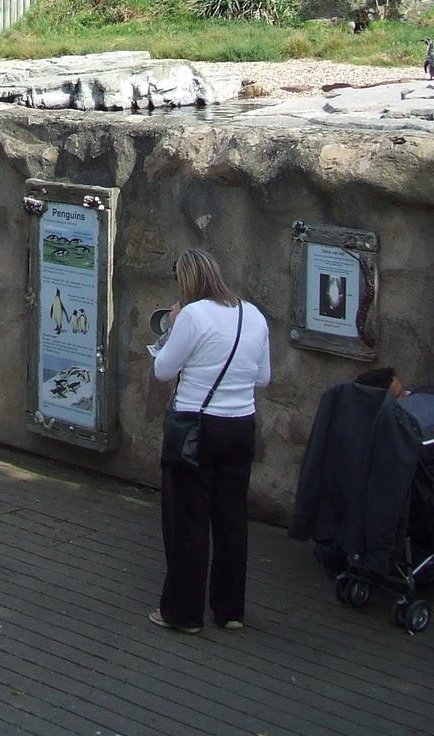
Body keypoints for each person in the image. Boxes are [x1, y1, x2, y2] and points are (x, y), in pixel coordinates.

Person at [147, 249, 271, 634]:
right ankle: (230, 609)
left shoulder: (193, 315)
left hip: (197, 426)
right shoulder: (253, 314)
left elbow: (163, 370)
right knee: (232, 520)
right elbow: (262, 377)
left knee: (188, 520)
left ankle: (182, 613)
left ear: (184, 281)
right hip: (241, 425)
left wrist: (170, 325)